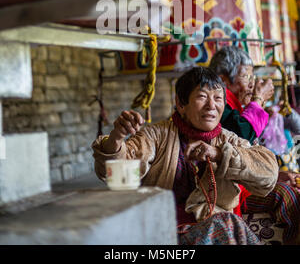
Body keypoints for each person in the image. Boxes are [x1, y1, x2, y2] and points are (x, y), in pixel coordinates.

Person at [92, 67, 278, 245]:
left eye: (218, 98)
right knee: (226, 224)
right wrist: (117, 137)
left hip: (215, 230)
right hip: (165, 230)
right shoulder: (156, 136)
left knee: (227, 224)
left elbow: (268, 174)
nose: (211, 106)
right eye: (202, 97)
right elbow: (114, 171)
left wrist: (219, 154)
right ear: (181, 104)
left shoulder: (228, 140)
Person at [210, 46, 300, 244]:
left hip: (245, 181)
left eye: (252, 77)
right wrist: (258, 100)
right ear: (224, 80)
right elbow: (243, 134)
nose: (251, 84)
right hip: (227, 190)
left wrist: (277, 176)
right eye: (246, 77)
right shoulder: (216, 103)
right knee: (288, 196)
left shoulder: (236, 103)